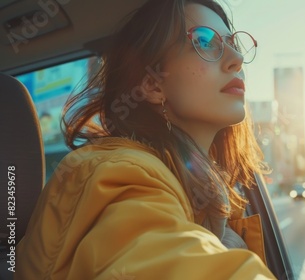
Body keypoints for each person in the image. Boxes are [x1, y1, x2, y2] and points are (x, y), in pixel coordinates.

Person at [15, 0, 276, 279]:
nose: (236, 57)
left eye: (233, 42)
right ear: (152, 85)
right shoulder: (119, 172)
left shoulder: (207, 188)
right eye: (204, 41)